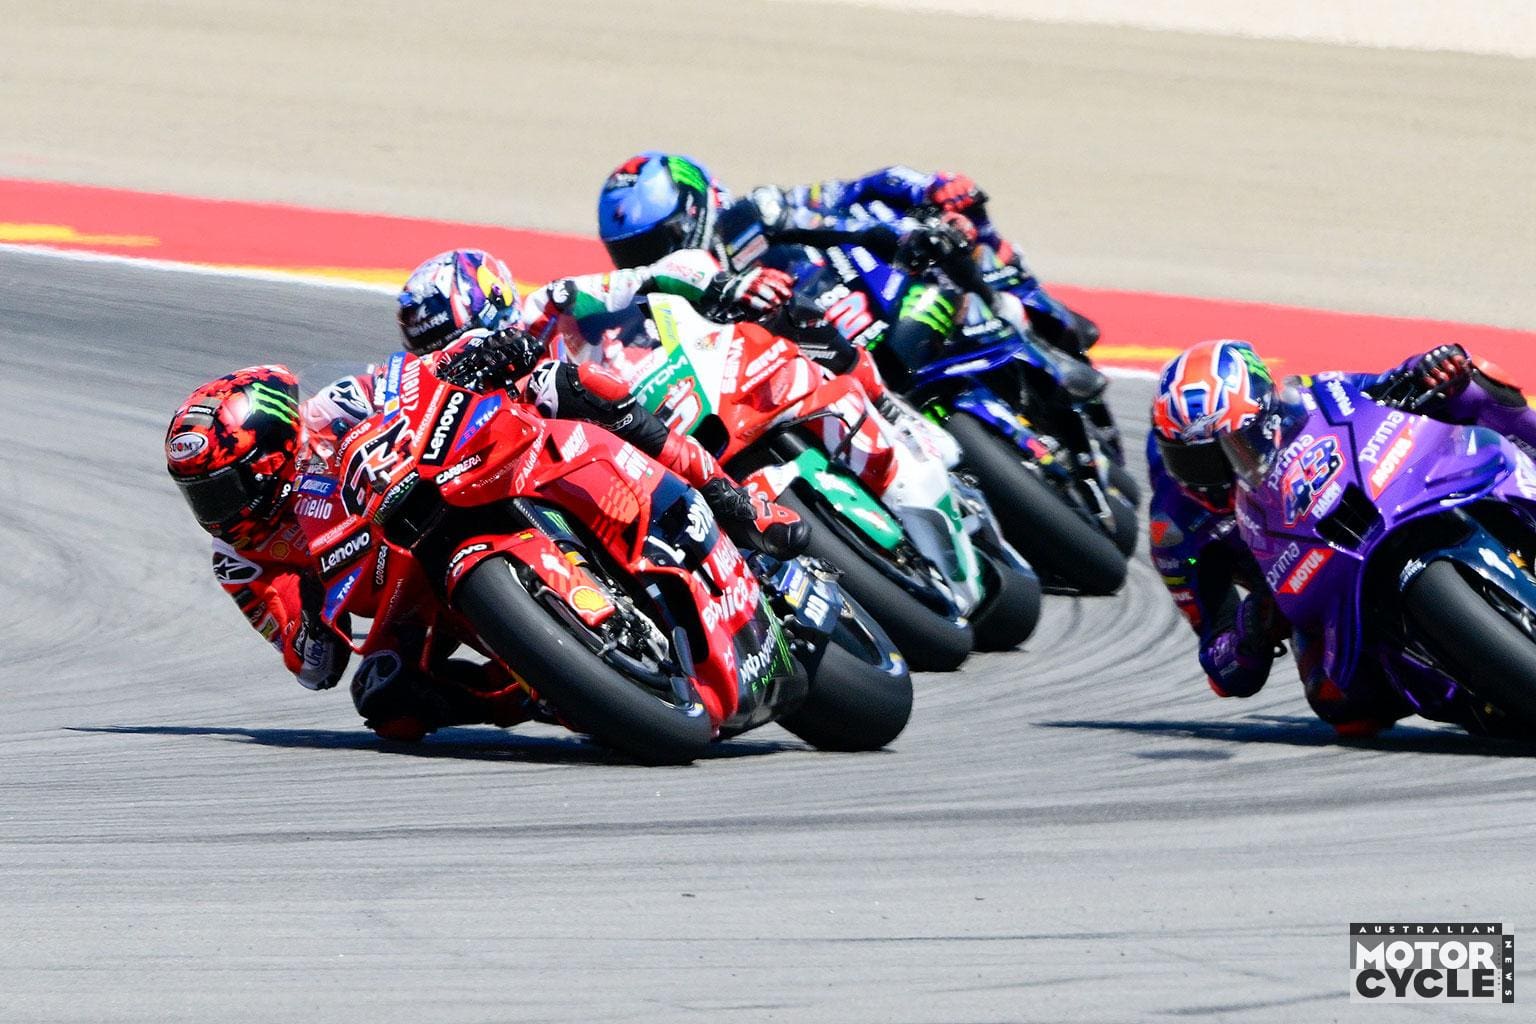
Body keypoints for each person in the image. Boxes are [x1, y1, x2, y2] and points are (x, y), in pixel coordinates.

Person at [164, 250, 807, 743]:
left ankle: (733, 501)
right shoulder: (238, 560)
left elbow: (405, 379)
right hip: (399, 586)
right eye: (200, 496)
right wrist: (309, 614)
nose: (215, 512)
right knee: (387, 699)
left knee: (571, 387)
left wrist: (481, 355)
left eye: (223, 488)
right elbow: (313, 667)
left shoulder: (331, 411)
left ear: (274, 452)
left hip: (444, 480)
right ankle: (548, 686)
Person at [1148, 337, 1536, 736]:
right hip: (1305, 592)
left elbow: (1384, 384)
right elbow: (1222, 672)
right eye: (1191, 461)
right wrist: (1251, 630)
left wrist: (1429, 370)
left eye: (1227, 450)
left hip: (1381, 502)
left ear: (1267, 417)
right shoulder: (1175, 528)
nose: (1211, 478)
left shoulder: (1314, 395)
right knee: (1341, 705)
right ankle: (1474, 689)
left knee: (1474, 382)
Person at [595, 152, 1097, 364]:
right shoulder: (675, 307)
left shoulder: (752, 215)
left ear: (693, 209)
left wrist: (928, 196)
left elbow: (858, 190)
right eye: (631, 253)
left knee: (960, 224)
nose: (648, 259)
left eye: (653, 243)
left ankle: (1030, 313)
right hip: (837, 370)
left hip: (889, 297)